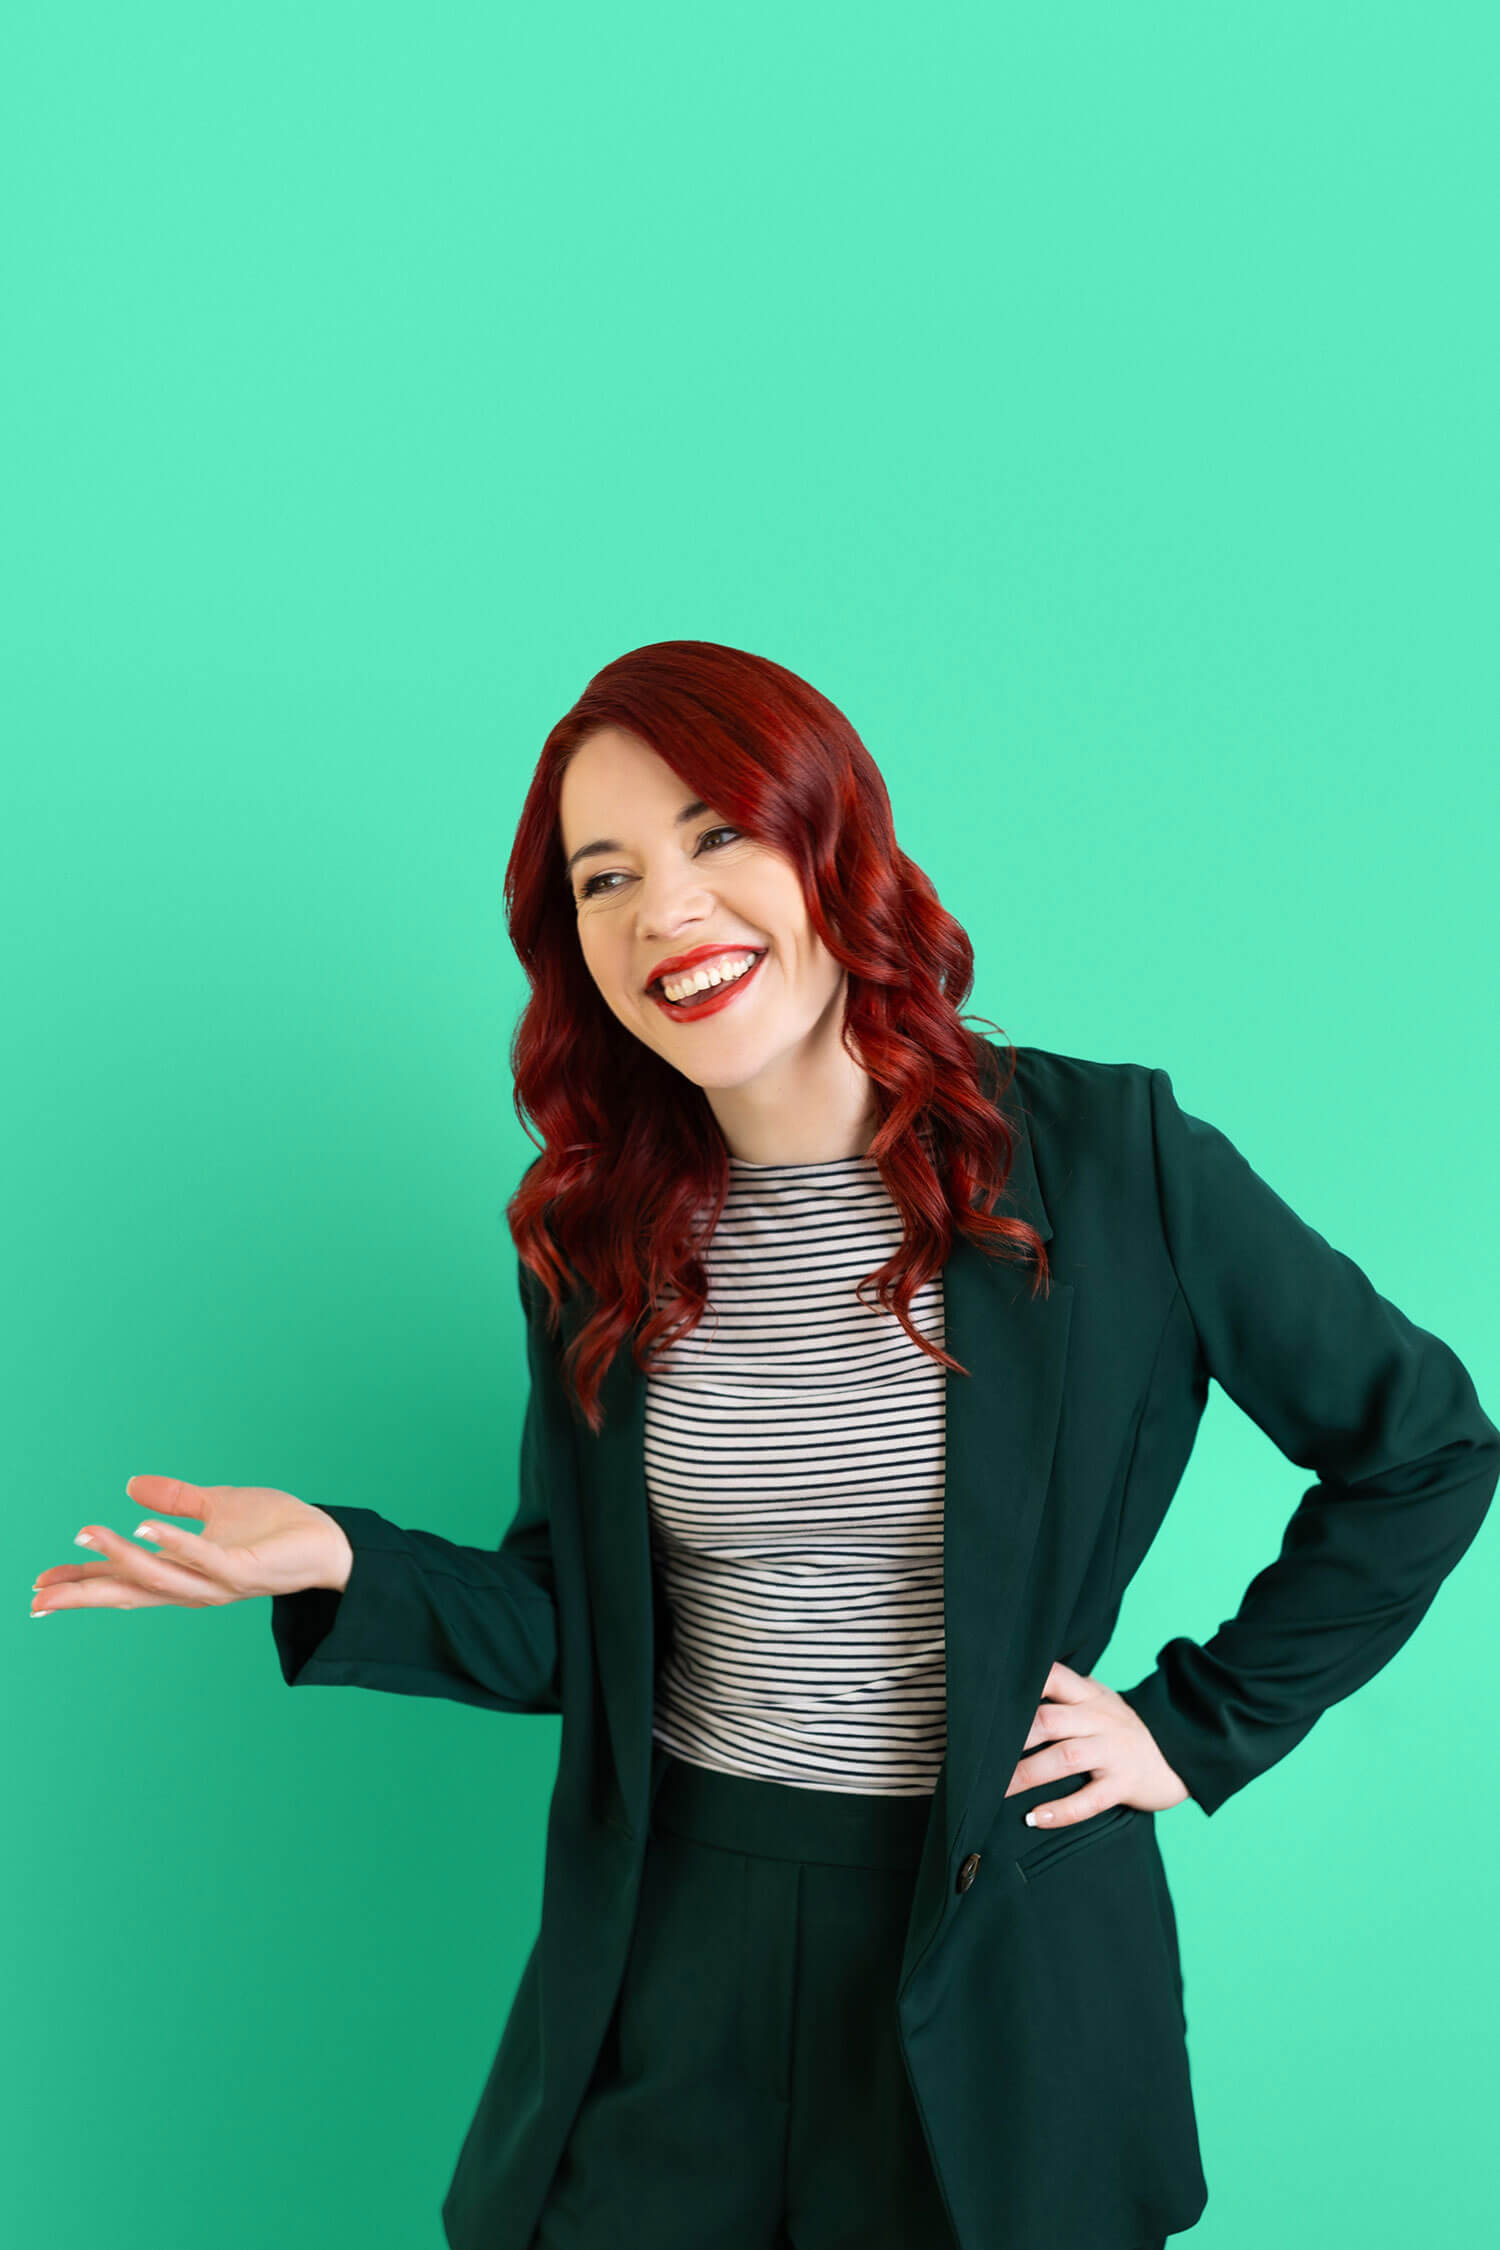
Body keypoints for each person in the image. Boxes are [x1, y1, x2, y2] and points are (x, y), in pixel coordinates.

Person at [32, 640, 1500, 2250]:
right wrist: (339, 1554)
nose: (666, 910)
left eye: (715, 834)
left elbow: (1425, 1448)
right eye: (607, 879)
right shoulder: (598, 1237)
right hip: (677, 1939)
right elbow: (578, 1627)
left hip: (991, 1945)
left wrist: (1191, 1728)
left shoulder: (1107, 1158)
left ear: (830, 843)